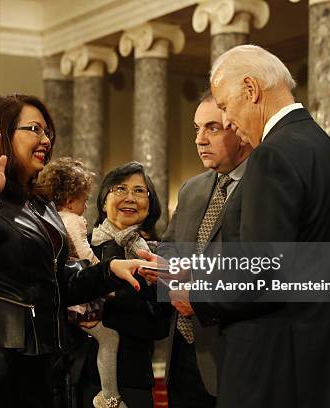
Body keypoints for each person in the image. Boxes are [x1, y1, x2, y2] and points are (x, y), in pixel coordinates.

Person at [0, 95, 154, 408]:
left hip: (40, 354)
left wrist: (111, 271)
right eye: (35, 129)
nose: (46, 140)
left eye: (47, 132)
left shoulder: (39, 205)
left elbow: (57, 282)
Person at [189, 44, 330, 407]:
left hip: (270, 371)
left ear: (250, 90)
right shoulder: (329, 152)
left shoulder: (272, 155)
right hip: (320, 362)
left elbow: (261, 274)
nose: (229, 120)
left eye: (225, 104)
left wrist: (196, 293)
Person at [150, 91, 251, 408]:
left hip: (232, 356)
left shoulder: (264, 188)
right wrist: (163, 267)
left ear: (240, 130)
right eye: (196, 129)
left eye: (212, 128)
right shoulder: (192, 188)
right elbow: (169, 247)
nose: (200, 140)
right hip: (181, 354)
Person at [72, 161, 170, 408]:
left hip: (131, 381)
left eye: (139, 191)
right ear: (104, 201)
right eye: (120, 189)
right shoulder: (79, 246)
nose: (130, 198)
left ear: (150, 204)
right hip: (76, 378)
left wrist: (105, 307)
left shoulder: (158, 255)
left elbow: (159, 325)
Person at [37, 157, 129, 408]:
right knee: (110, 338)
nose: (87, 205)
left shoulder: (45, 218)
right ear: (69, 199)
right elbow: (85, 255)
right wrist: (106, 278)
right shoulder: (72, 221)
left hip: (59, 301)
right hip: (77, 298)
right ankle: (109, 396)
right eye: (84, 199)